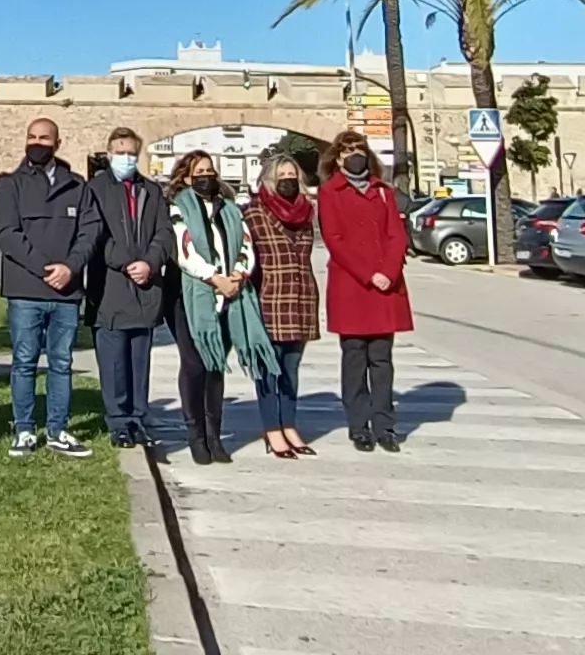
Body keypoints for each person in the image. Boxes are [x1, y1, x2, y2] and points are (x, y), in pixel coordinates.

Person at [0, 116, 98, 458]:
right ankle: (24, 430)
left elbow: (89, 231)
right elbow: (7, 235)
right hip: (26, 291)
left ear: (58, 143)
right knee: (24, 361)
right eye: (32, 137)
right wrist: (43, 268)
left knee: (61, 362)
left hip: (66, 293)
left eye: (45, 138)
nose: (38, 143)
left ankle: (58, 429)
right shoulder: (11, 185)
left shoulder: (77, 186)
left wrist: (70, 267)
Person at [167, 150, 277, 464]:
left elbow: (245, 244)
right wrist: (214, 278)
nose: (206, 176)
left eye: (210, 170)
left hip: (229, 294)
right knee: (195, 364)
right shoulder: (177, 209)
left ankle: (215, 435)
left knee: (216, 367)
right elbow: (184, 249)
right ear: (187, 178)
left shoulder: (230, 210)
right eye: (199, 171)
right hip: (189, 297)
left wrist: (238, 276)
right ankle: (196, 436)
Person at [316, 131, 410, 452]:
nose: (353, 156)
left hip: (386, 284)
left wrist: (388, 272)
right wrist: (370, 274)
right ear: (337, 158)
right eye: (346, 151)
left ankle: (385, 425)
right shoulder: (330, 193)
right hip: (352, 286)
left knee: (382, 359)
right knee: (355, 357)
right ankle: (359, 426)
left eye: (359, 150)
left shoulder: (383, 192)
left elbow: (397, 235)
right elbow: (334, 239)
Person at [86, 127, 175, 449]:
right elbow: (95, 235)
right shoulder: (94, 190)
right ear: (108, 154)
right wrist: (127, 263)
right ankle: (119, 421)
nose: (125, 158)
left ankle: (138, 417)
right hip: (111, 288)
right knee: (114, 362)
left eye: (130, 153)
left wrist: (150, 263)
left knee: (139, 361)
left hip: (146, 289)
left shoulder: (151, 191)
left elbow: (164, 232)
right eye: (119, 152)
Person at [241, 151, 323, 459]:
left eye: (293, 177)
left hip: (301, 298)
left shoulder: (306, 213)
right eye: (282, 178)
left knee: (291, 369)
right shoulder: (253, 213)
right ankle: (271, 428)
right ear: (268, 180)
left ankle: (289, 424)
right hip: (269, 299)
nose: (288, 182)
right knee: (268, 369)